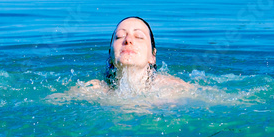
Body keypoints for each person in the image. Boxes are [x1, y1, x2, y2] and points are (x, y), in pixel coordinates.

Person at [48, 16, 194, 101]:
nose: (128, 40)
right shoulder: (92, 90)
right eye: (119, 37)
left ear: (152, 56)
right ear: (111, 54)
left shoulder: (175, 89)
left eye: (139, 37)